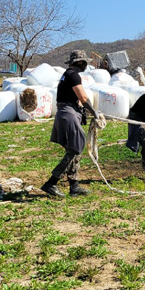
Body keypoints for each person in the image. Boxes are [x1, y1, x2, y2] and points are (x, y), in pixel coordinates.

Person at [41, 50, 101, 197]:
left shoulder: (66, 75)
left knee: (74, 150)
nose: (87, 65)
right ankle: (51, 182)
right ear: (80, 62)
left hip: (66, 113)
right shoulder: (73, 75)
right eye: (85, 62)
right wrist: (94, 112)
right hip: (68, 114)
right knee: (75, 148)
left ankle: (74, 185)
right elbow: (83, 96)